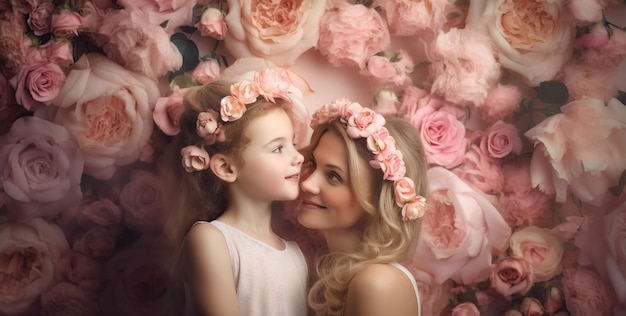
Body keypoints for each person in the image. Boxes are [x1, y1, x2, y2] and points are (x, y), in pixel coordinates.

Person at [160, 68, 309, 316]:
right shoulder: (211, 239)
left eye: (293, 143)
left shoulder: (297, 255)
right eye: (277, 149)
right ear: (226, 167)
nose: (298, 157)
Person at [296, 98, 428, 316]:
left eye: (333, 176)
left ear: (378, 200)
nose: (306, 183)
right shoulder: (336, 277)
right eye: (313, 164)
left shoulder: (377, 283)